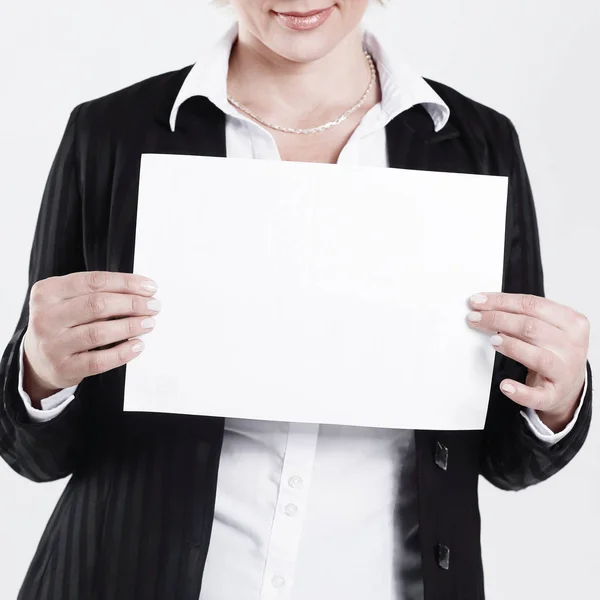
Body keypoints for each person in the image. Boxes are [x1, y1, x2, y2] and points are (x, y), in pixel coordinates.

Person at [0, 1, 593, 599]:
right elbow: (34, 454)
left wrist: (556, 401)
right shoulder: (109, 136)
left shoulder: (479, 144)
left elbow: (509, 459)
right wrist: (42, 376)